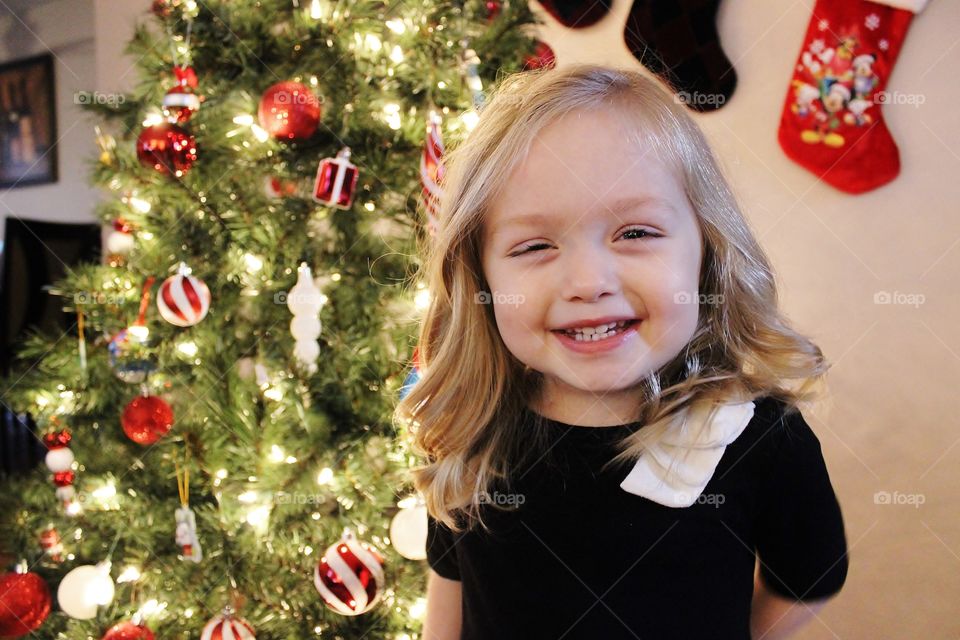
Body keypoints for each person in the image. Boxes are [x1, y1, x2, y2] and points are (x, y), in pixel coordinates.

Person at [394, 63, 848, 640]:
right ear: (478, 276)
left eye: (635, 233)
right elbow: (451, 587)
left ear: (707, 252)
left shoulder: (757, 439)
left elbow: (809, 580)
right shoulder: (476, 425)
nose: (588, 282)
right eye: (535, 245)